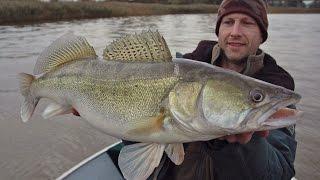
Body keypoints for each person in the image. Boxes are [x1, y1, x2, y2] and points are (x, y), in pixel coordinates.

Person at [140, 0, 297, 179]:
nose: (235, 32)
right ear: (219, 30)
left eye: (247, 23)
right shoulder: (171, 73)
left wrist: (245, 145)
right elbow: (135, 138)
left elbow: (280, 172)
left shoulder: (275, 93)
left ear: (262, 35)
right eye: (228, 22)